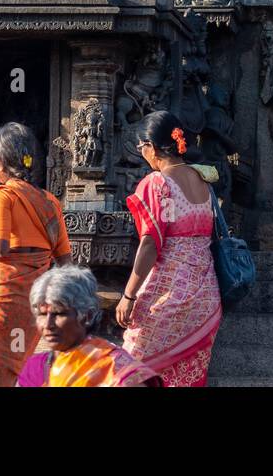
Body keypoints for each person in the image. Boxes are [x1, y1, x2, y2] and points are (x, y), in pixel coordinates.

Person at [0, 122, 72, 387]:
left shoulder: (3, 197)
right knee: (20, 366)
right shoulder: (49, 201)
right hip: (32, 300)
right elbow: (65, 260)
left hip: (1, 298)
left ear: (0, 162)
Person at [118, 111, 222, 386]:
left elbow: (151, 241)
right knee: (187, 378)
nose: (142, 154)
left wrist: (128, 295)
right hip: (205, 299)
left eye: (141, 148)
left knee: (131, 372)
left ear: (152, 147)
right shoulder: (203, 180)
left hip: (168, 298)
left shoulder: (158, 184)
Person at [19, 266, 161, 387]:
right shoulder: (35, 368)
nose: (48, 324)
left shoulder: (116, 368)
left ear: (86, 315)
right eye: (42, 314)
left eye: (59, 314)